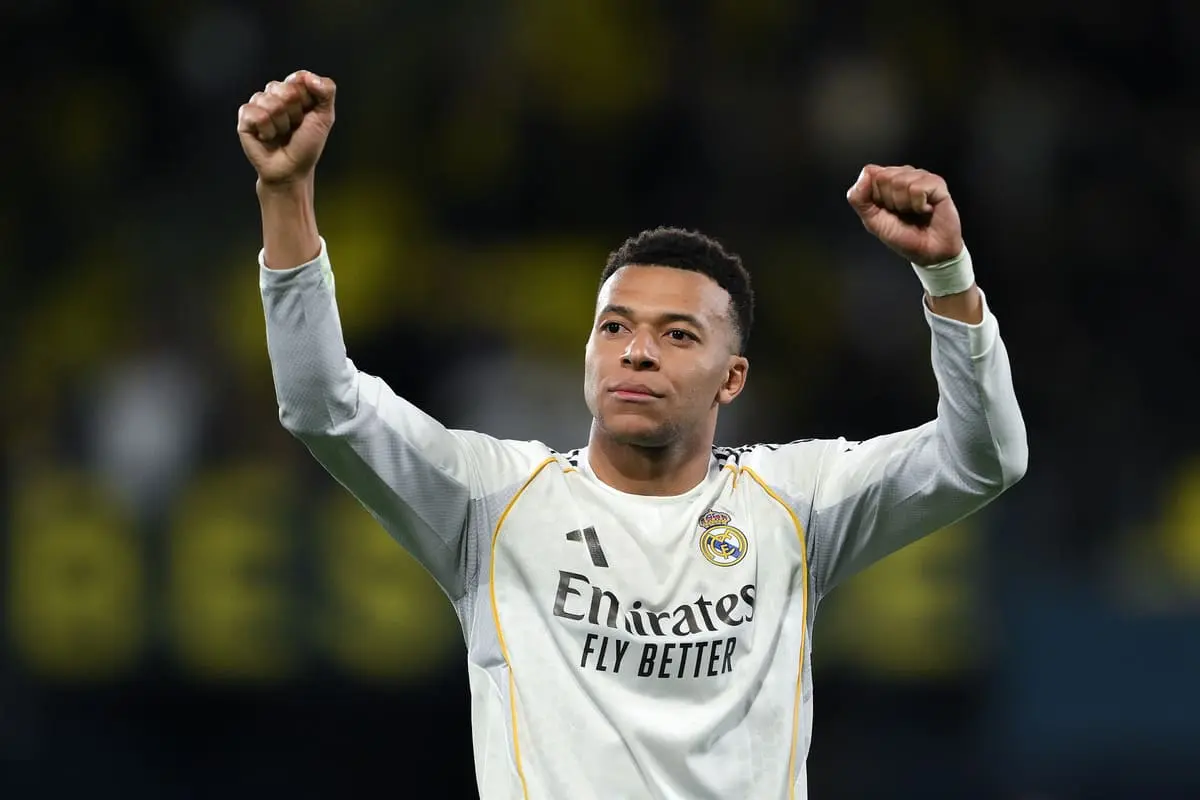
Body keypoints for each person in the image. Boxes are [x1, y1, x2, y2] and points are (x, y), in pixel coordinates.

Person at [238, 70, 1027, 800]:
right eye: (615, 326)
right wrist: (287, 193)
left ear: (733, 378)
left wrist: (949, 277)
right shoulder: (493, 500)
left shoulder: (794, 504)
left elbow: (983, 457)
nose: (637, 349)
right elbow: (321, 404)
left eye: (679, 335)